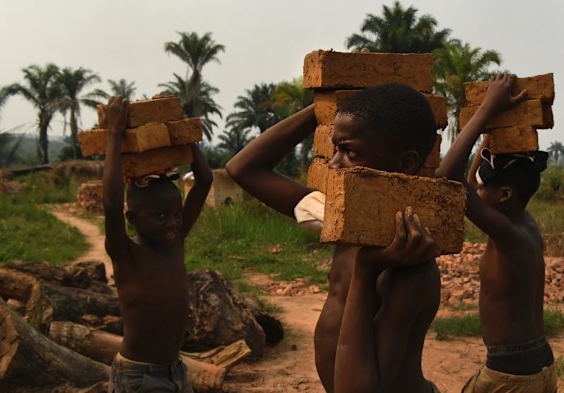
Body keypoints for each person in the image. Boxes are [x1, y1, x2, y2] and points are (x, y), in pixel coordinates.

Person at [226, 84, 442, 393]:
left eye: (350, 152)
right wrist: (321, 108)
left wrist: (365, 272)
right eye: (335, 148)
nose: (333, 164)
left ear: (405, 163)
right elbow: (243, 168)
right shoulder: (340, 216)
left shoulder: (409, 264)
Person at [436, 74, 556, 392]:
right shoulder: (525, 224)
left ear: (504, 195)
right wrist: (492, 133)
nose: (475, 186)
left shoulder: (508, 234)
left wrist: (486, 110)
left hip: (511, 377)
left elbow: (449, 175)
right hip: (538, 366)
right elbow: (471, 176)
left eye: (483, 186)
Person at [103, 96, 213, 393]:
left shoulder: (174, 243)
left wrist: (184, 136)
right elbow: (111, 203)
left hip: (175, 372)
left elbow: (204, 181)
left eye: (177, 214)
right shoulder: (126, 254)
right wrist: (114, 134)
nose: (172, 223)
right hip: (138, 378)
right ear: (132, 218)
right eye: (160, 216)